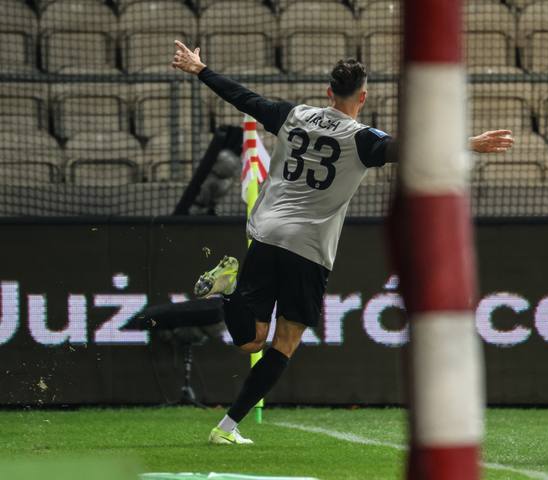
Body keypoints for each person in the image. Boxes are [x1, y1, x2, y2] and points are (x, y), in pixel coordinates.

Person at [171, 40, 514, 445]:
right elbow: (415, 149)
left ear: (328, 92)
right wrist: (470, 142)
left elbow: (244, 98)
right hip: (308, 247)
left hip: (267, 234)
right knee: (284, 343)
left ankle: (229, 293)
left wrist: (201, 69)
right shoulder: (362, 139)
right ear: (363, 97)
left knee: (250, 341)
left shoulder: (294, 115)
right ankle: (227, 428)